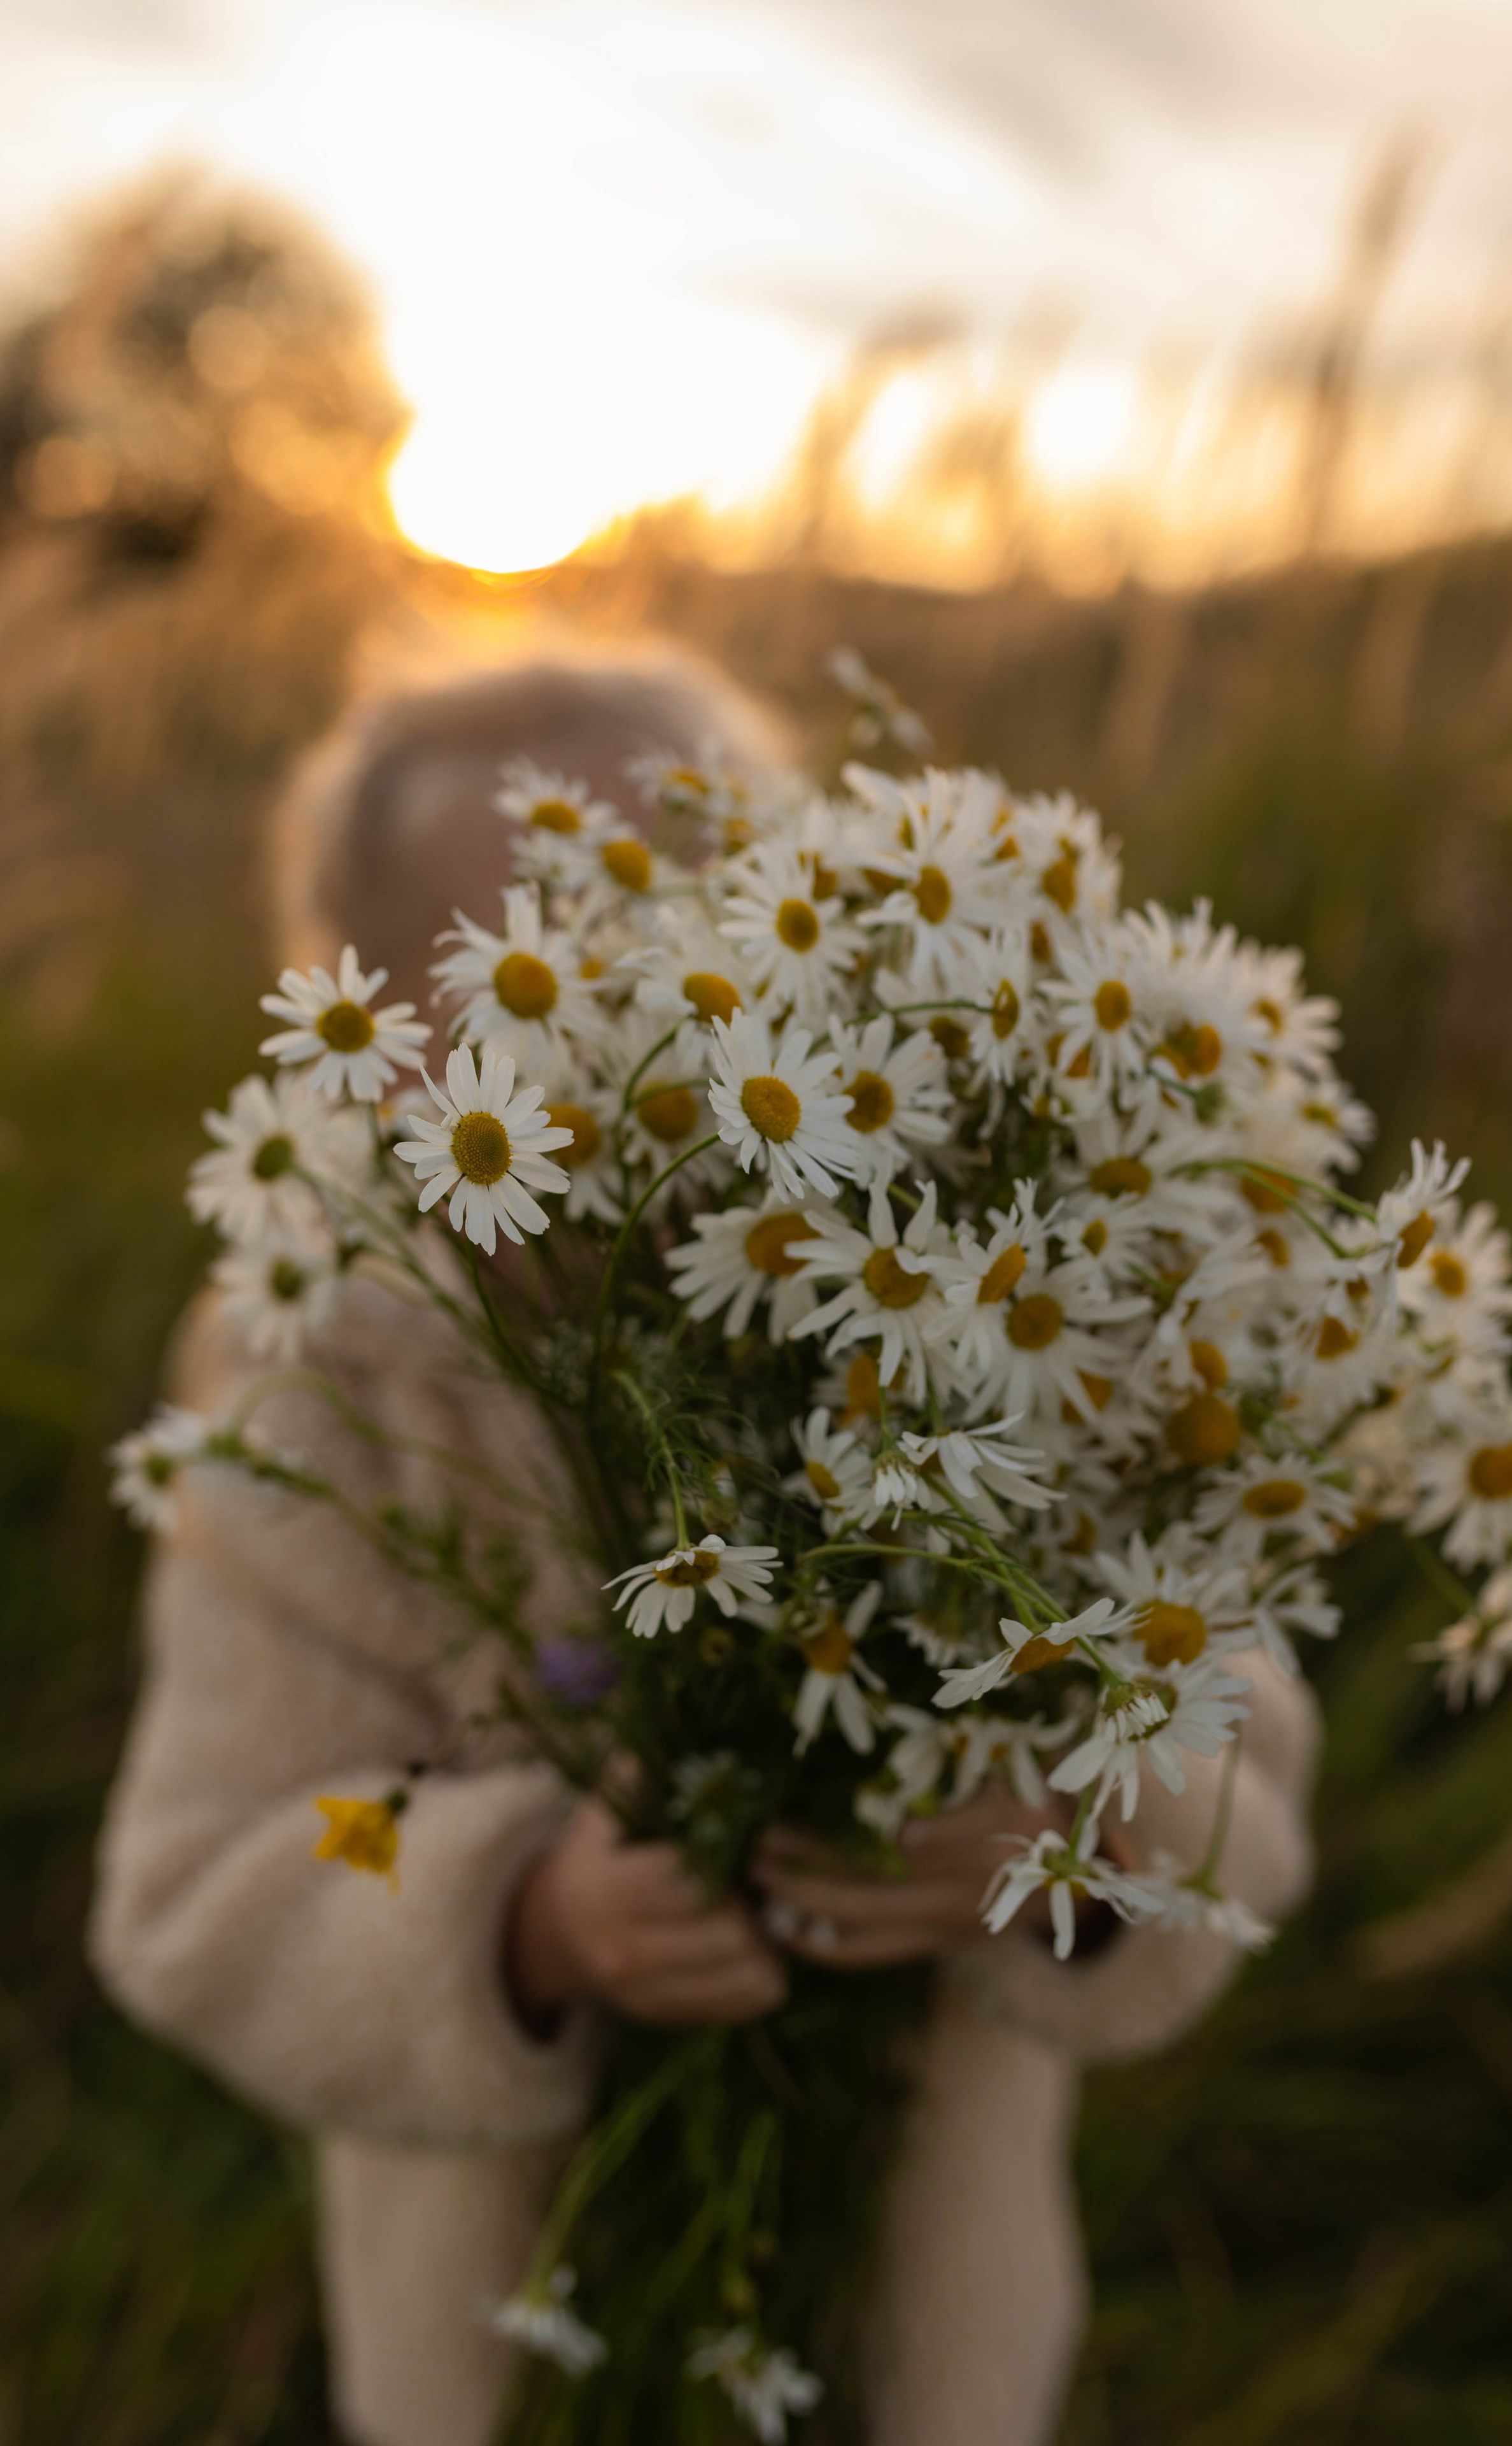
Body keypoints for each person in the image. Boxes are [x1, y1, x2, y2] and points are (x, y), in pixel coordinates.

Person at [90, 644, 1322, 2446]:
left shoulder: (1001, 1294)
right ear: (369, 1026)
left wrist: (1083, 1835)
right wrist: (522, 1913)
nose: (652, 1005)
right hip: (511, 2352)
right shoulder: (319, 1385)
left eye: (707, 912)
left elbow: (1246, 1754)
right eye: (541, 954)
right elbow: (207, 1884)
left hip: (933, 2349)